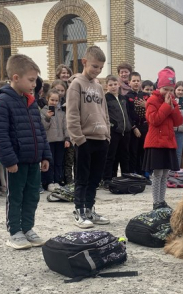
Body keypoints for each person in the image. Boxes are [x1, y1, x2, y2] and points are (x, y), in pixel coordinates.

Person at [0, 54, 52, 249]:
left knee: (32, 195)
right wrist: (9, 160)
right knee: (15, 195)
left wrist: (45, 154)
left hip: (33, 159)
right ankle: (14, 231)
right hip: (16, 162)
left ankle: (27, 228)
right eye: (31, 80)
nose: (35, 84)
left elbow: (40, 130)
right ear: (16, 78)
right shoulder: (2, 102)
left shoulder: (31, 101)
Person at [66, 46, 111, 229]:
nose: (98, 70)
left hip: (101, 138)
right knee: (82, 178)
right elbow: (72, 114)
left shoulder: (99, 86)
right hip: (85, 139)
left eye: (100, 68)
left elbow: (104, 112)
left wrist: (107, 135)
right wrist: (78, 138)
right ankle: (79, 211)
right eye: (94, 66)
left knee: (95, 179)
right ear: (84, 62)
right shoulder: (76, 85)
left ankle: (90, 210)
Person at [144, 68, 183, 210]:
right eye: (165, 89)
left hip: (168, 142)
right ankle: (156, 202)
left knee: (165, 173)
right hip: (156, 143)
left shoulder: (172, 101)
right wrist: (166, 106)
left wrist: (173, 107)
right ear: (159, 87)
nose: (169, 93)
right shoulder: (152, 101)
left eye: (171, 90)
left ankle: (162, 200)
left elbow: (178, 121)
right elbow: (154, 120)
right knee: (157, 174)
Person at [102, 75, 132, 188]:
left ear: (119, 84)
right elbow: (105, 114)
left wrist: (129, 126)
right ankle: (108, 178)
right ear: (106, 86)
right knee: (111, 156)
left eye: (115, 84)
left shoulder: (123, 98)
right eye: (110, 85)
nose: (113, 87)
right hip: (114, 131)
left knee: (125, 155)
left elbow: (127, 113)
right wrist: (111, 126)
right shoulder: (106, 98)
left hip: (126, 131)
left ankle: (126, 176)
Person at [41, 90, 69, 191]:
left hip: (60, 141)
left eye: (56, 100)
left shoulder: (62, 112)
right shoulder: (43, 112)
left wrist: (67, 138)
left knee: (59, 162)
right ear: (47, 99)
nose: (54, 102)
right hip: (49, 141)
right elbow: (43, 127)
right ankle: (49, 182)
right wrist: (48, 117)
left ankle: (57, 181)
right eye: (52, 100)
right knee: (50, 162)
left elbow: (65, 126)